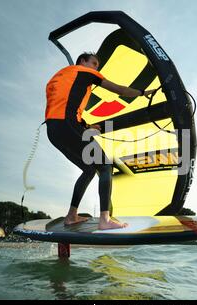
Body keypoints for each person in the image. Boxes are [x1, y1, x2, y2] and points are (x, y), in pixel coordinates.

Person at [45, 52, 155, 230]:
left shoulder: (62, 76)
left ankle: (71, 216)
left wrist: (85, 125)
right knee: (105, 165)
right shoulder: (84, 72)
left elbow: (64, 105)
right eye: (94, 63)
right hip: (67, 125)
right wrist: (143, 93)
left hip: (53, 131)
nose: (97, 68)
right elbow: (120, 90)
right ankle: (105, 219)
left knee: (89, 169)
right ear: (82, 61)